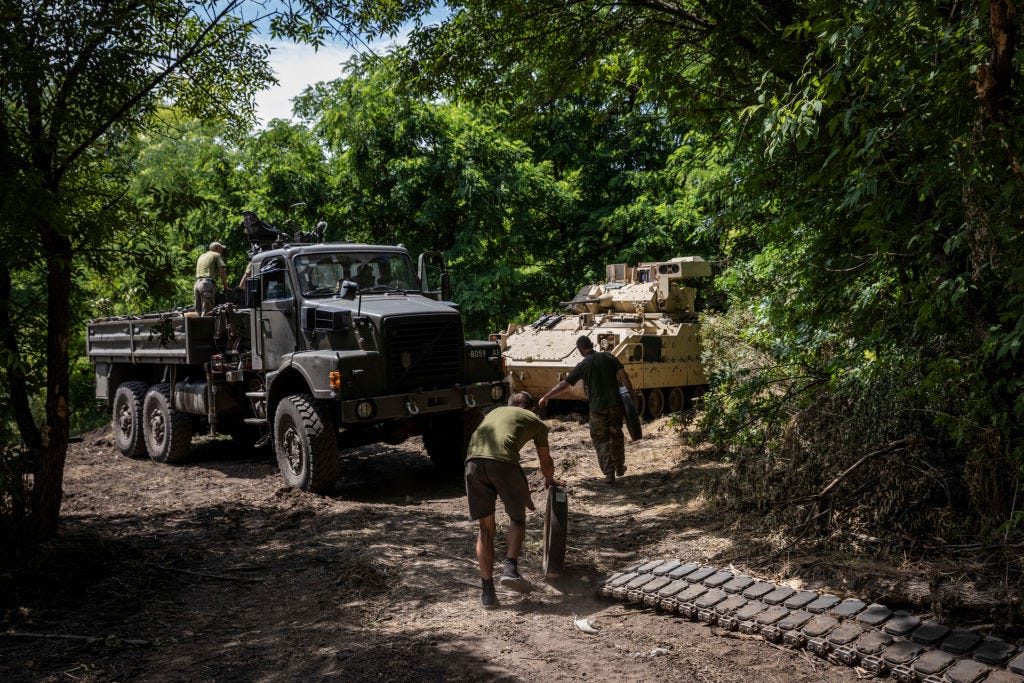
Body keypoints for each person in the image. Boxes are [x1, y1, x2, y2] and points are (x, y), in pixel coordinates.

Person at [465, 391, 563, 609]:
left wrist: (522, 492)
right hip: (503, 464)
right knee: (517, 520)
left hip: (472, 464)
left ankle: (488, 594)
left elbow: (496, 451)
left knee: (485, 530)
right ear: (531, 408)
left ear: (509, 404)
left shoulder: (493, 413)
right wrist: (549, 480)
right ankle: (510, 568)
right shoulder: (534, 420)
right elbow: (545, 460)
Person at [538, 336, 636, 484]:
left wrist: (547, 396)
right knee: (616, 434)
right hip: (616, 405)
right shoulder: (609, 357)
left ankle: (609, 473)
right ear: (592, 345)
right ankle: (620, 466)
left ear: (580, 349)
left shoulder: (584, 364)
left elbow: (565, 384)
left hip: (597, 408)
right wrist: (632, 399)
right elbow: (625, 378)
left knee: (600, 440)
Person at [194, 241, 228, 315]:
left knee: (198, 312)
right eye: (221, 249)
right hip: (206, 284)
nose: (221, 251)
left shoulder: (202, 255)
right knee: (208, 312)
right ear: (218, 248)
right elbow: (222, 271)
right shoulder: (216, 255)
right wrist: (225, 287)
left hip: (197, 284)